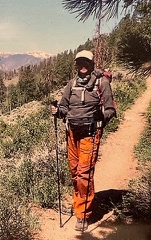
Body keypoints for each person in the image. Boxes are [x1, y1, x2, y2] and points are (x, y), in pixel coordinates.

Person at [51, 50, 116, 231]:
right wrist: (58, 111)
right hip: (72, 132)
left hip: (90, 133)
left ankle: (83, 215)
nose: (83, 66)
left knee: (84, 173)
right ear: (76, 65)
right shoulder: (71, 84)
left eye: (86, 62)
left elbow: (111, 110)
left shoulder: (101, 83)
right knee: (74, 171)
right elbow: (64, 106)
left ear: (92, 63)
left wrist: (100, 117)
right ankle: (78, 203)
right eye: (80, 62)